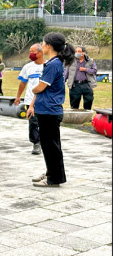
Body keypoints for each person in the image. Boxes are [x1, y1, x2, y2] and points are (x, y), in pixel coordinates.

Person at [27, 32, 75, 187]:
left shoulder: (53, 64)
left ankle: (53, 178)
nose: (42, 45)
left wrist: (34, 89)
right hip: (47, 109)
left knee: (51, 147)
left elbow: (41, 87)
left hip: (49, 110)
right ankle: (51, 173)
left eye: (43, 43)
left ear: (49, 46)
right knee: (50, 146)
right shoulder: (55, 62)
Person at [14, 44, 45, 155]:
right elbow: (23, 83)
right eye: (29, 52)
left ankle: (45, 142)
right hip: (30, 100)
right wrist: (18, 96)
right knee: (33, 122)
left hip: (45, 100)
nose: (30, 54)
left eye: (33, 52)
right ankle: (36, 143)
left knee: (45, 123)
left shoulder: (47, 66)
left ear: (40, 52)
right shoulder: (28, 67)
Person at [66, 46, 97, 110]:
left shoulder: (90, 61)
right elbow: (66, 72)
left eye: (79, 51)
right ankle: (74, 118)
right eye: (76, 51)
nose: (77, 53)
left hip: (86, 84)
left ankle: (87, 117)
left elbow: (94, 71)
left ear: (84, 53)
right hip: (75, 85)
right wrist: (62, 81)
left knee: (89, 101)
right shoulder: (71, 61)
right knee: (74, 104)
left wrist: (85, 69)